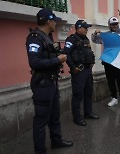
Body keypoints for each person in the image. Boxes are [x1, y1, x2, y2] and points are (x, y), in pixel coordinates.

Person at [26, 8, 73, 154]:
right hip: (42, 84)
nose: (55, 24)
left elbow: (48, 57)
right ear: (48, 21)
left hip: (52, 82)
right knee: (41, 120)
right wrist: (57, 60)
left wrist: (58, 57)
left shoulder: (47, 37)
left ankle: (56, 141)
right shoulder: (35, 37)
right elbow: (34, 62)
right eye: (54, 21)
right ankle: (40, 150)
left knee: (54, 115)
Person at [91, 10, 120, 109]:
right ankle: (114, 98)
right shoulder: (105, 35)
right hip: (108, 61)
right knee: (110, 80)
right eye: (113, 24)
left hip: (119, 61)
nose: (115, 26)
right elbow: (95, 40)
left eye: (116, 24)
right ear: (109, 25)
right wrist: (95, 33)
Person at [64, 20, 100, 126]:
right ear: (79, 28)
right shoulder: (72, 39)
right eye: (85, 28)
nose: (87, 29)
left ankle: (88, 113)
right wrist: (73, 67)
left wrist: (92, 62)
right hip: (79, 71)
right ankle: (77, 117)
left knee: (88, 93)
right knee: (78, 94)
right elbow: (66, 54)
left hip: (88, 70)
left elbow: (89, 52)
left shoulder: (85, 39)